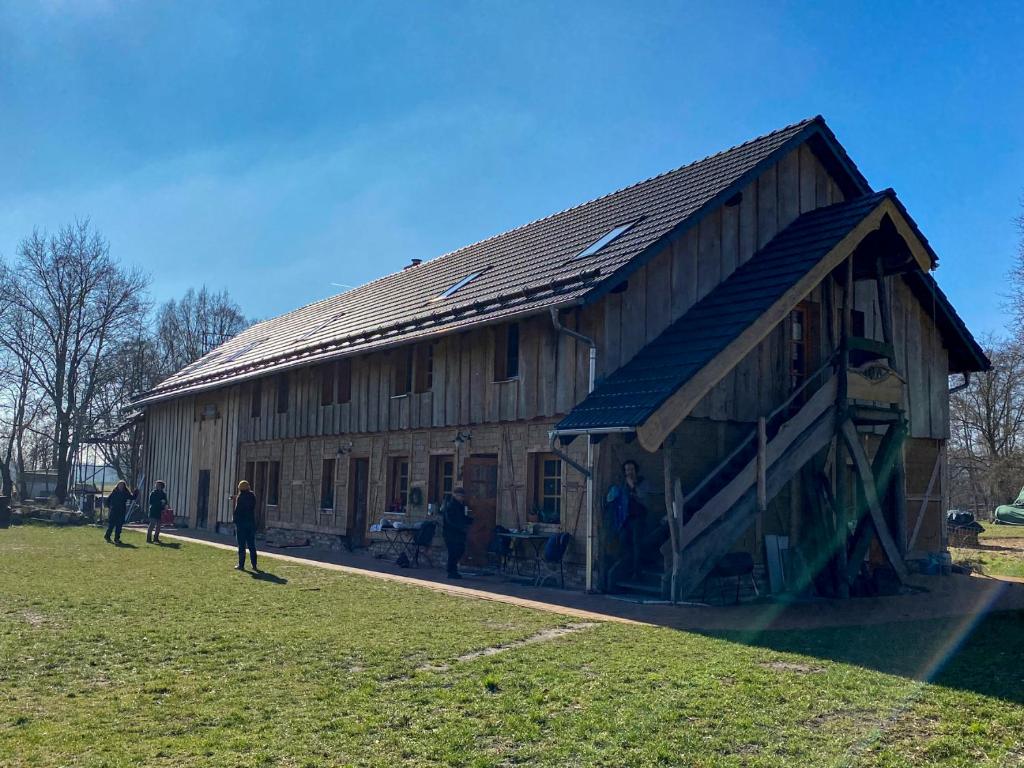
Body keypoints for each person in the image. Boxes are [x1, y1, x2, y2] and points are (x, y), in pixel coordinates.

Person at [606, 460, 650, 577]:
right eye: (627, 470)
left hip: (638, 517)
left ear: (635, 470)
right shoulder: (623, 484)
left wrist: (633, 485)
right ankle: (626, 567)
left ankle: (637, 571)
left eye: (631, 469)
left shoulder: (642, 482)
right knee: (623, 541)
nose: (629, 472)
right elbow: (614, 497)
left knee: (637, 543)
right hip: (625, 519)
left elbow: (643, 496)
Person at [441, 486, 472, 579]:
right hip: (451, 533)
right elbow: (451, 520)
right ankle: (451, 571)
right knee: (453, 552)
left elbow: (461, 518)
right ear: (456, 495)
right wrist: (461, 526)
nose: (462, 498)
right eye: (461, 496)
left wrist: (469, 520)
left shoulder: (459, 506)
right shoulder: (450, 505)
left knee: (459, 550)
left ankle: (452, 570)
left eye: (463, 496)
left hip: (457, 533)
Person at [233, 480, 259, 572]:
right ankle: (254, 565)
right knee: (252, 545)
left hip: (241, 524)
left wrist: (234, 520)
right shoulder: (252, 496)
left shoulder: (240, 498)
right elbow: (248, 503)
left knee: (241, 545)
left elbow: (238, 510)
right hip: (250, 523)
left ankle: (241, 565)